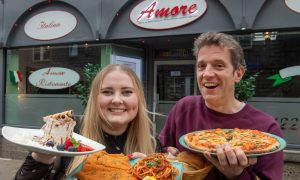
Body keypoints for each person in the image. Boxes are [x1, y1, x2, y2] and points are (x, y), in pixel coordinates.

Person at [159, 32, 284, 180]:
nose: (207, 73)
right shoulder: (183, 108)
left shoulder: (266, 129)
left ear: (238, 74)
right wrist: (166, 155)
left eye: (219, 66)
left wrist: (237, 175)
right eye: (201, 66)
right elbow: (162, 148)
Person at [15, 64, 157, 180]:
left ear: (139, 98)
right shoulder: (68, 133)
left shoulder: (152, 143)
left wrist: (153, 174)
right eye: (107, 92)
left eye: (127, 92)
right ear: (95, 98)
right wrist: (41, 158)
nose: (117, 100)